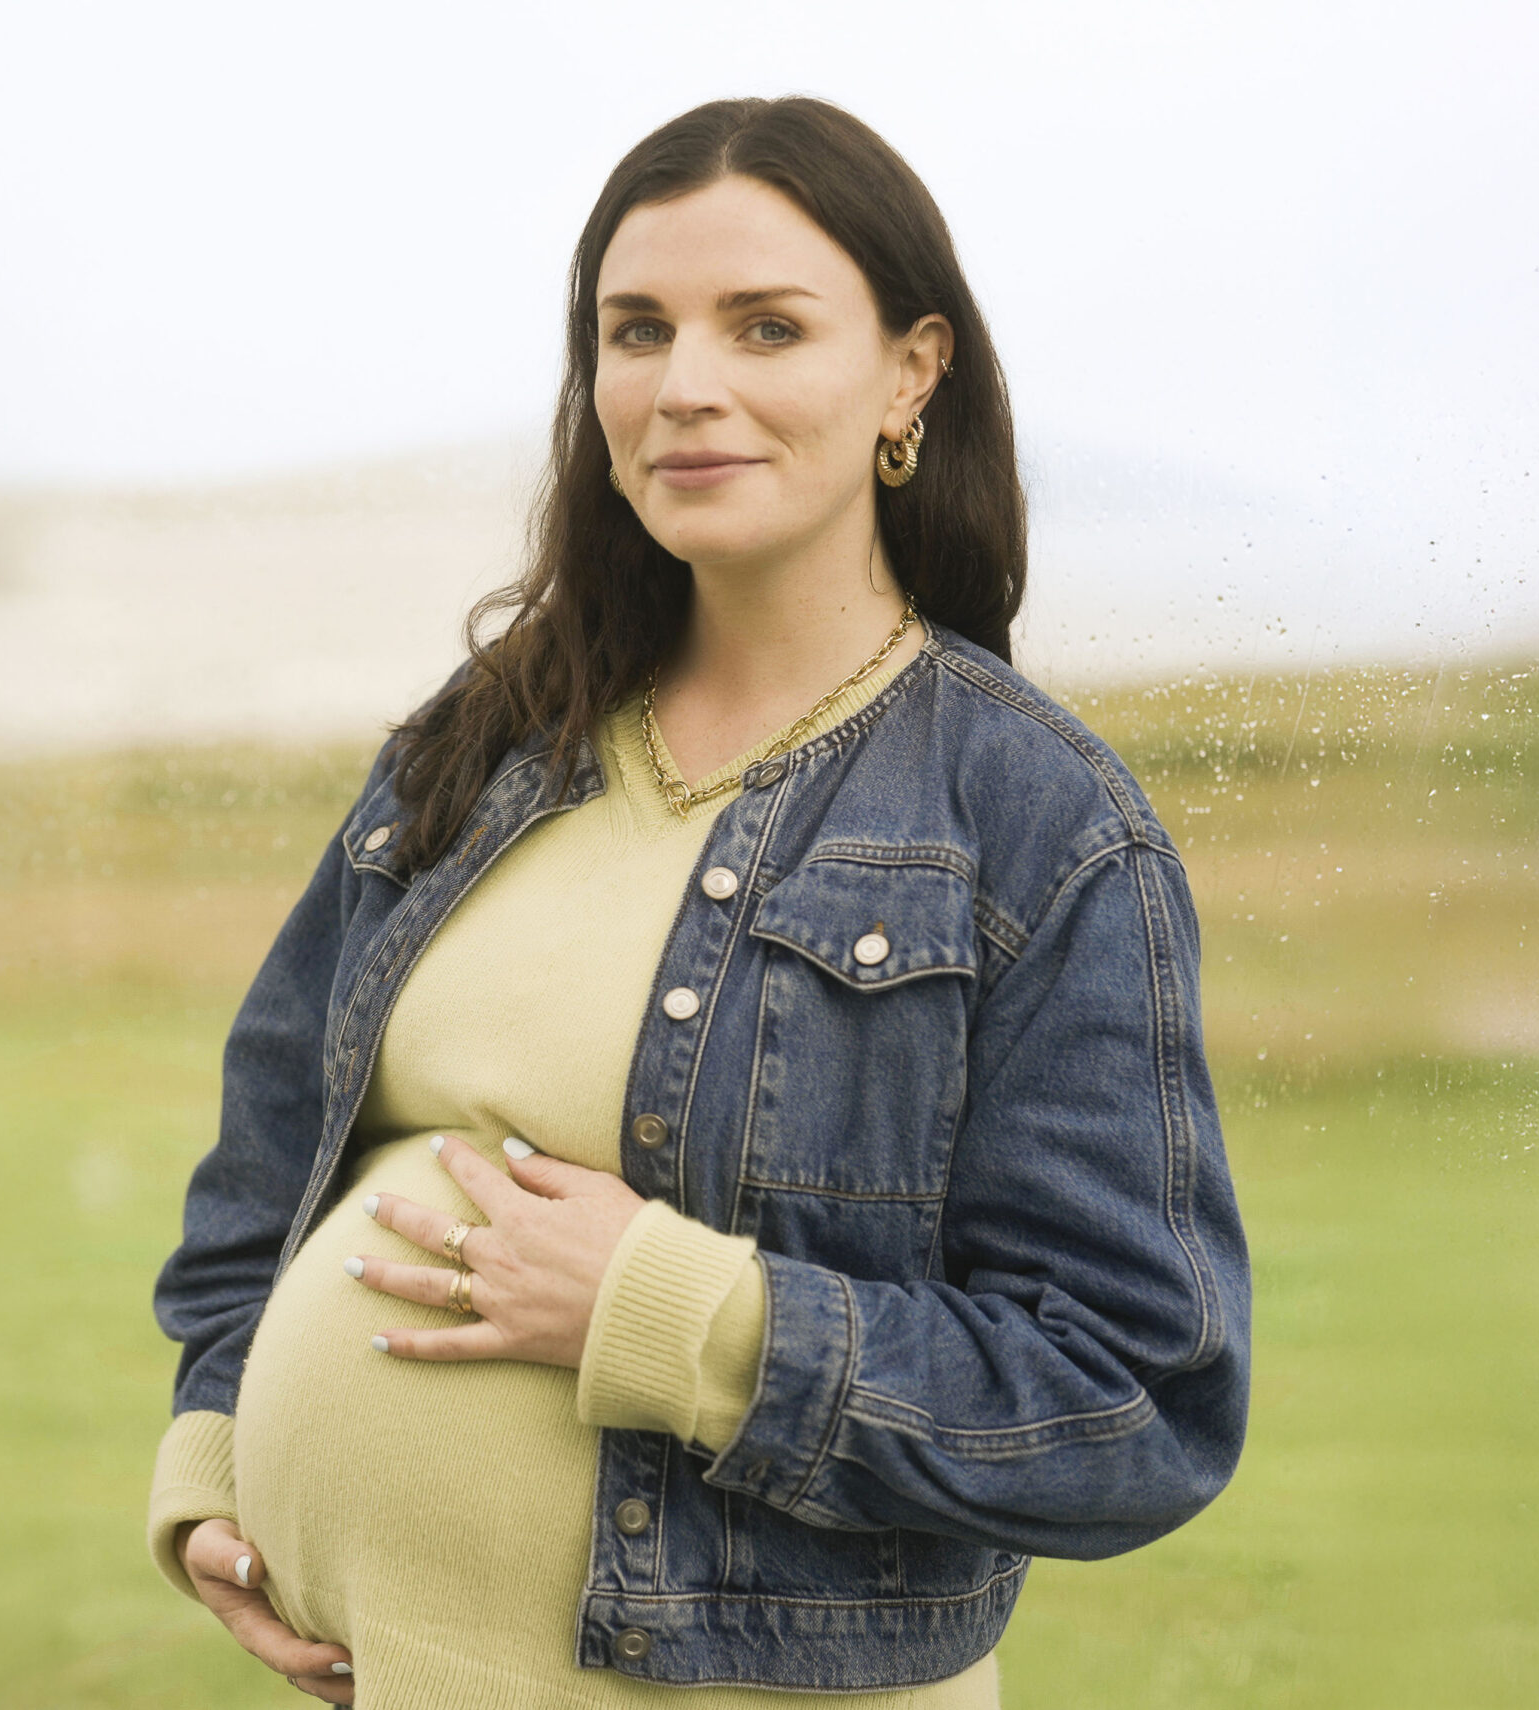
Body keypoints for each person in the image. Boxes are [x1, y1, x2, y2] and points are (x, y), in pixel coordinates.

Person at [145, 96, 1251, 1706]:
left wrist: (677, 1311)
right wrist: (214, 1464)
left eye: (768, 326)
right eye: (636, 329)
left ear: (911, 371)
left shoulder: (1036, 821)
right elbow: (271, 1155)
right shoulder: (481, 748)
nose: (687, 385)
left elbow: (1135, 1397)